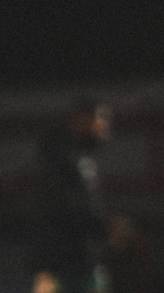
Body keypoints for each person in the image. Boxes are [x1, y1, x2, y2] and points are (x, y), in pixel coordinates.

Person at [31, 100, 129, 293]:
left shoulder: (80, 159)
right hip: (64, 268)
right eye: (101, 118)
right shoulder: (62, 158)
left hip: (79, 265)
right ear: (81, 120)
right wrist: (103, 227)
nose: (105, 125)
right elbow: (63, 207)